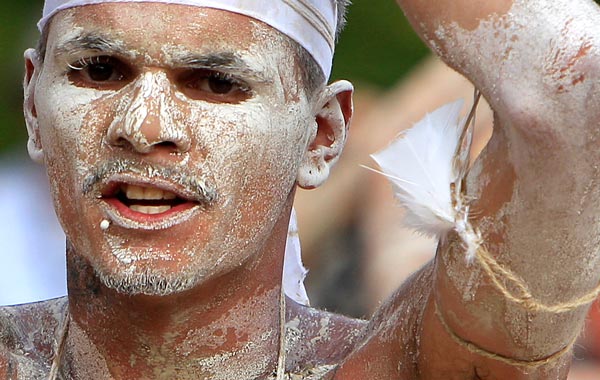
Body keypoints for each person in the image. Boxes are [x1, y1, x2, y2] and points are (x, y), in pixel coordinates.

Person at [1, 1, 599, 379]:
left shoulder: (400, 367)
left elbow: (569, 88)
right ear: (33, 103)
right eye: (101, 71)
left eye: (216, 82)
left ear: (320, 134)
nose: (144, 127)